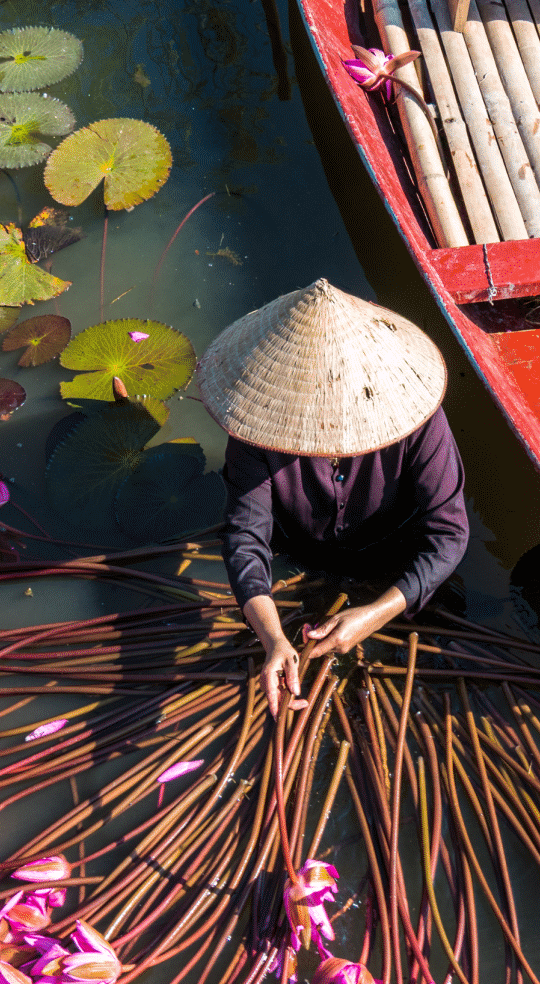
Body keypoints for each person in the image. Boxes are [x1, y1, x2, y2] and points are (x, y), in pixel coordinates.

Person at [199, 280, 470, 716]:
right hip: (301, 550)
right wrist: (272, 638)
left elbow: (449, 533)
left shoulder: (416, 419)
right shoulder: (255, 431)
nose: (329, 436)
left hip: (393, 552)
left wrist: (378, 612)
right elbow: (246, 537)